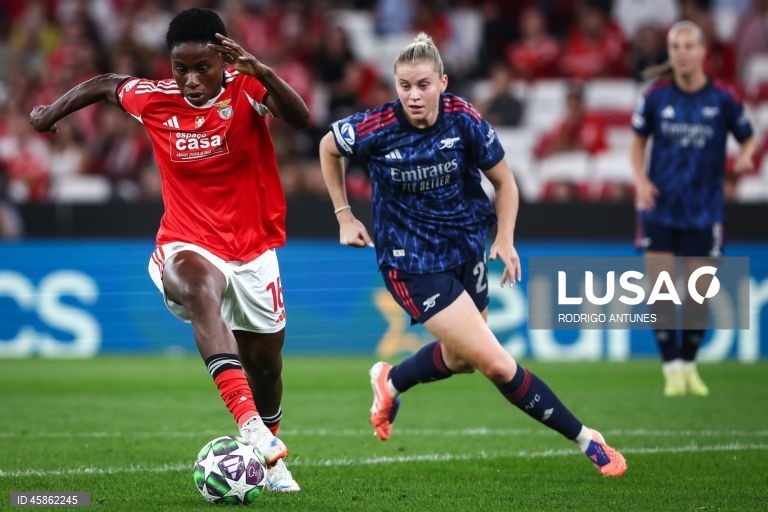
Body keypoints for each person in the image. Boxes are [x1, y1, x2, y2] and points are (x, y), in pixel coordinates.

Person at [318, 33, 627, 478]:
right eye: (404, 85)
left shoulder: (463, 119)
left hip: (466, 248)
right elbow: (329, 146)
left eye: (423, 84)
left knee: (461, 357)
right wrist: (344, 215)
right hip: (413, 263)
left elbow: (506, 182)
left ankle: (392, 380)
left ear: (442, 82)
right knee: (498, 364)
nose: (413, 95)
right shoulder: (377, 127)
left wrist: (505, 237)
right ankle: (586, 438)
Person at [29, 8, 309, 491]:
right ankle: (248, 426)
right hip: (185, 241)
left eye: (203, 67)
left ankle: (270, 453)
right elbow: (104, 84)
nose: (192, 80)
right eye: (182, 68)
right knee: (200, 287)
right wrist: (49, 114)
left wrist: (261, 70)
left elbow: (302, 120)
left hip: (253, 249)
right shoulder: (153, 99)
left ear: (223, 60)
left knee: (266, 364)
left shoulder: (247, 91)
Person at [631, 21, 755, 397]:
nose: (681, 52)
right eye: (675, 46)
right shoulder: (656, 97)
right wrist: (640, 180)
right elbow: (637, 143)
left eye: (688, 45)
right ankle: (671, 370)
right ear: (670, 54)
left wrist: (746, 159)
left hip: (705, 210)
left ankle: (689, 365)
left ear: (702, 52)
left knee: (699, 297)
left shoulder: (723, 98)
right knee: (663, 293)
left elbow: (748, 139)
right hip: (660, 208)